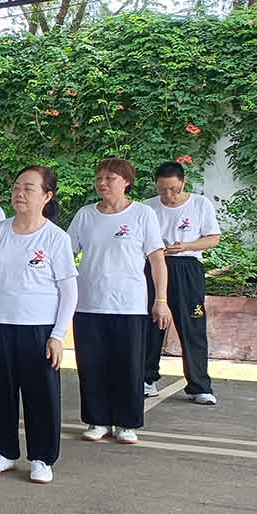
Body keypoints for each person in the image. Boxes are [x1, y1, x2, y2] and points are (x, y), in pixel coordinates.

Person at [0, 167, 77, 485]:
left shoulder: (55, 237)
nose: (19, 193)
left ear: (47, 196)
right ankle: (3, 451)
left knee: (41, 394)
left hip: (38, 330)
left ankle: (42, 458)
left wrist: (58, 335)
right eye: (16, 187)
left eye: (29, 188)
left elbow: (69, 291)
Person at [68, 159, 169, 445]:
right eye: (98, 178)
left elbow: (157, 260)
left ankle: (127, 422)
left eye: (109, 178)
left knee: (128, 366)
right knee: (92, 365)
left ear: (126, 181)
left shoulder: (142, 214)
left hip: (130, 305)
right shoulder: (85, 215)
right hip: (88, 303)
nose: (102, 183)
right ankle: (97, 419)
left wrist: (160, 300)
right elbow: (65, 254)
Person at [143, 162, 220, 405]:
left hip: (187, 267)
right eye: (163, 190)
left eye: (174, 189)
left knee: (192, 327)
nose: (168, 195)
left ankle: (199, 386)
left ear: (183, 183)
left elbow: (213, 239)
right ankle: (147, 379)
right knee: (151, 324)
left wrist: (186, 245)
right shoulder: (147, 208)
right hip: (156, 266)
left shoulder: (200, 204)